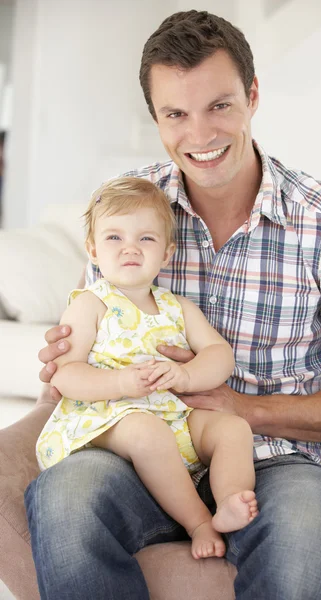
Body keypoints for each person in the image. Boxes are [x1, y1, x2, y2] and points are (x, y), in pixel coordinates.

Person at [25, 9, 321, 600]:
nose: (199, 136)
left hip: (282, 462)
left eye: (219, 106)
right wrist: (67, 361)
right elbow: (86, 334)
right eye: (176, 113)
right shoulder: (128, 212)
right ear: (156, 118)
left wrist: (245, 409)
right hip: (136, 447)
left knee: (304, 537)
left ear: (252, 96)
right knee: (66, 500)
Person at [35, 175, 258, 560]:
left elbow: (220, 355)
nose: (130, 249)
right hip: (107, 416)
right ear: (92, 249)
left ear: (167, 254)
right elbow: (66, 374)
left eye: (146, 238)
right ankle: (199, 522)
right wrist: (121, 381)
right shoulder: (91, 303)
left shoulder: (178, 307)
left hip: (173, 414)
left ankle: (229, 502)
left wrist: (186, 375)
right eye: (114, 237)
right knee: (146, 431)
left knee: (234, 428)